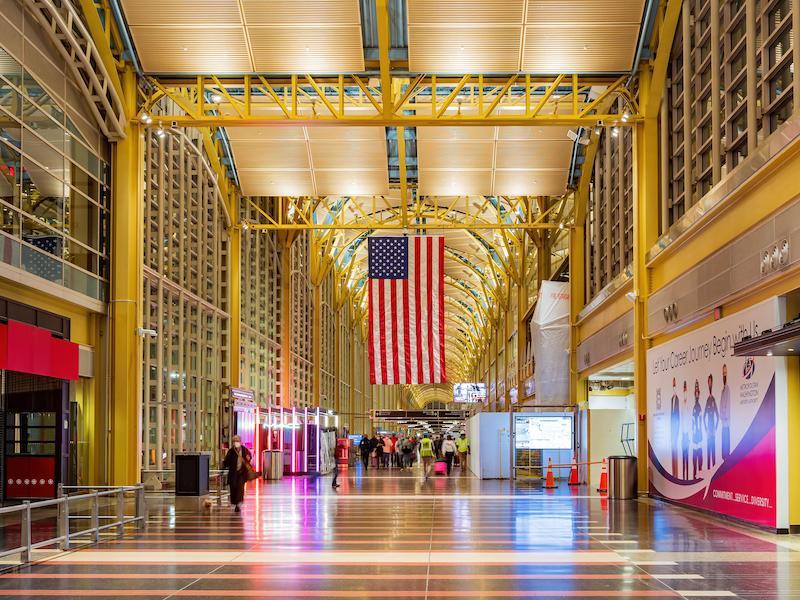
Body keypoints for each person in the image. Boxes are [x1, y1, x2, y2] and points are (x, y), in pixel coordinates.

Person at [223, 435, 251, 513]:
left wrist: (249, 458)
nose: (236, 442)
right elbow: (226, 461)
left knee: (240, 488)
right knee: (233, 487)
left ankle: (238, 504)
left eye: (237, 440)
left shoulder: (244, 450)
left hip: (242, 473)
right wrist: (225, 465)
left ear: (240, 441)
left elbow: (249, 457)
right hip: (233, 473)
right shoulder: (231, 451)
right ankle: (235, 503)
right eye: (234, 441)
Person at [704, 374, 720, 469]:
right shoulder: (707, 400)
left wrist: (716, 427)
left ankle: (714, 473)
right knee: (708, 453)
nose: (710, 383)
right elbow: (704, 416)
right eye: (708, 382)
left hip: (713, 431)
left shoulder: (713, 399)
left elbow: (717, 415)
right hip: (708, 432)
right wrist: (706, 428)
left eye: (711, 382)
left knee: (713, 453)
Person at [691, 380, 703, 479]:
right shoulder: (694, 407)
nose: (696, 394)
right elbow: (693, 421)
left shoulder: (699, 407)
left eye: (697, 392)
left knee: (699, 451)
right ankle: (695, 472)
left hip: (699, 433)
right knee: (695, 452)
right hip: (695, 433)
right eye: (695, 393)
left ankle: (700, 470)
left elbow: (700, 419)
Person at [720, 364, 731, 459]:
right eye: (723, 373)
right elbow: (721, 406)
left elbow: (726, 407)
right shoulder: (722, 390)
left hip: (726, 423)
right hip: (723, 422)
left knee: (726, 442)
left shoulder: (727, 389)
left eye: (725, 373)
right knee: (723, 442)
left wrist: (724, 415)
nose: (724, 375)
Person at [670, 377, 680, 477]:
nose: (673, 386)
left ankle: (676, 474)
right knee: (672, 455)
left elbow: (678, 418)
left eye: (674, 384)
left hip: (676, 433)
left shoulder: (677, 399)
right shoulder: (672, 399)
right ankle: (673, 474)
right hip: (672, 432)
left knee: (676, 454)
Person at [681, 381, 691, 480]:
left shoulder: (688, 405)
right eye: (683, 389)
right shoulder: (681, 405)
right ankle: (683, 476)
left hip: (687, 435)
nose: (684, 392)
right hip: (683, 435)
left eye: (685, 389)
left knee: (687, 456)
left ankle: (687, 475)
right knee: (683, 456)